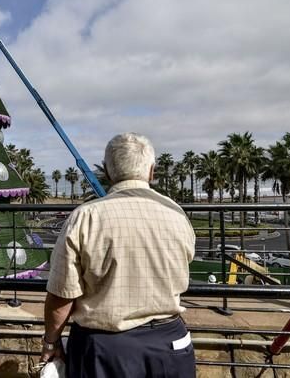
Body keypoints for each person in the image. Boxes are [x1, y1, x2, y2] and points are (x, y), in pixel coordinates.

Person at [41, 132, 196, 377]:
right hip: (170, 343)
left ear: (107, 171)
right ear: (152, 171)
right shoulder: (176, 214)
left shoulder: (85, 217)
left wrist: (51, 341)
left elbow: (62, 296)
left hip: (104, 348)